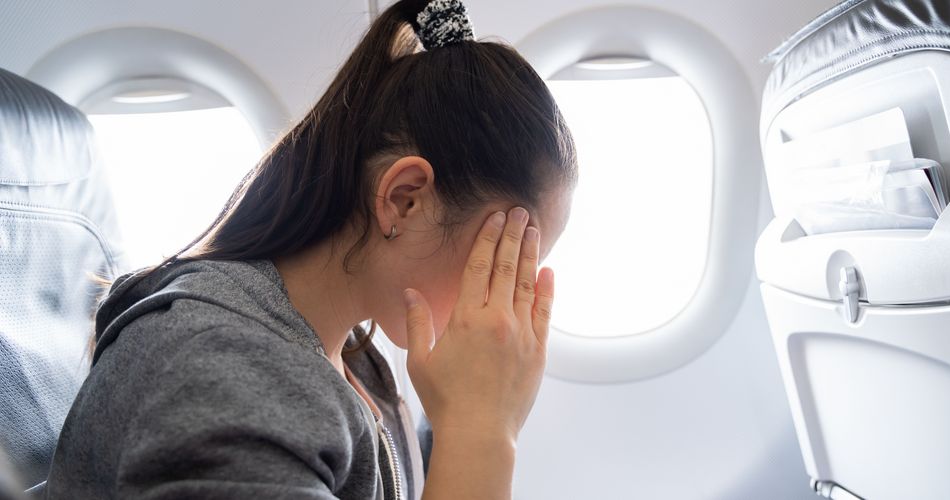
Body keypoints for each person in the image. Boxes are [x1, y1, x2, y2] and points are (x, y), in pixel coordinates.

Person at [43, 0, 577, 498]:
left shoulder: (355, 353)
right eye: (503, 262)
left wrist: (465, 416)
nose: (505, 308)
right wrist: (481, 429)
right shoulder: (225, 376)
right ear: (404, 200)